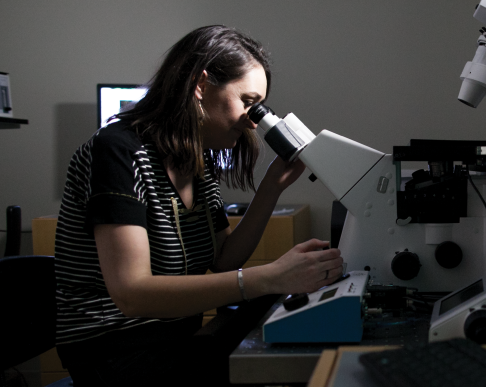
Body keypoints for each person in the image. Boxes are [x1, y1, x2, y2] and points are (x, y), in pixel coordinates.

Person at [53, 25, 343, 386]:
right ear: (200, 85)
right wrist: (269, 276)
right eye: (248, 102)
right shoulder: (118, 152)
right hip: (114, 348)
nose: (252, 121)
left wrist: (271, 188)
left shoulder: (196, 160)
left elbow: (225, 259)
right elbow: (132, 294)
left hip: (173, 339)